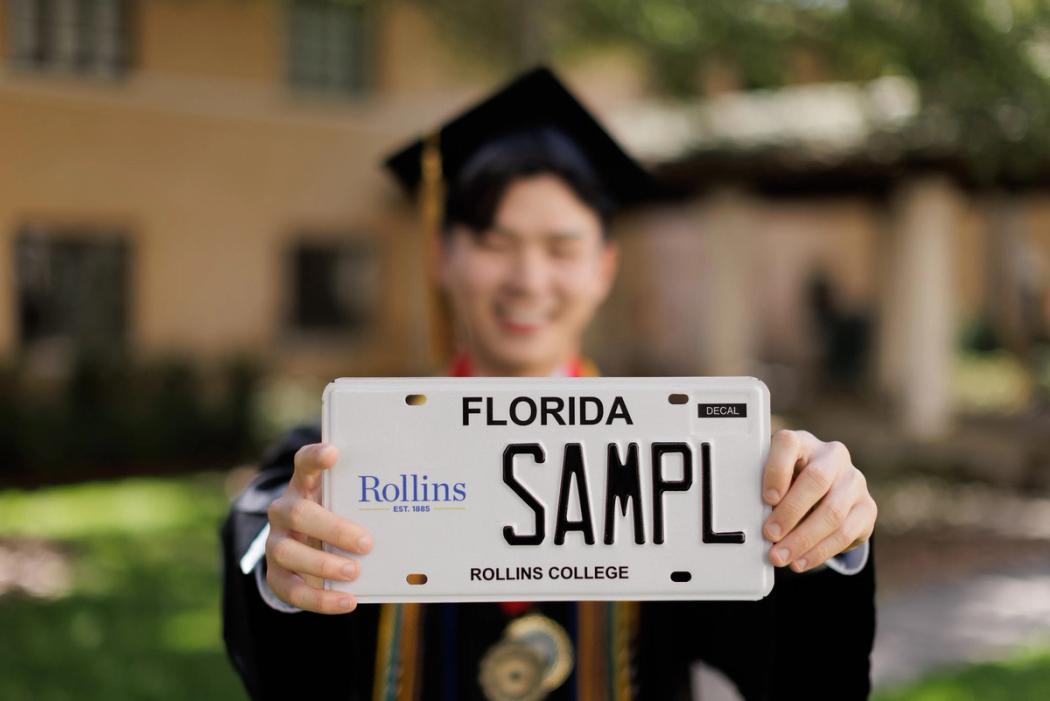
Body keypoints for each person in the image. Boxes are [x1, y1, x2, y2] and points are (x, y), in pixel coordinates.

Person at [221, 67, 877, 701]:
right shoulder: (346, 456)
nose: (528, 280)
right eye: (496, 242)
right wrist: (285, 579)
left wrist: (822, 540)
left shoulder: (688, 457)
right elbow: (282, 652)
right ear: (443, 255)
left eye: (562, 248)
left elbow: (800, 677)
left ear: (604, 268)